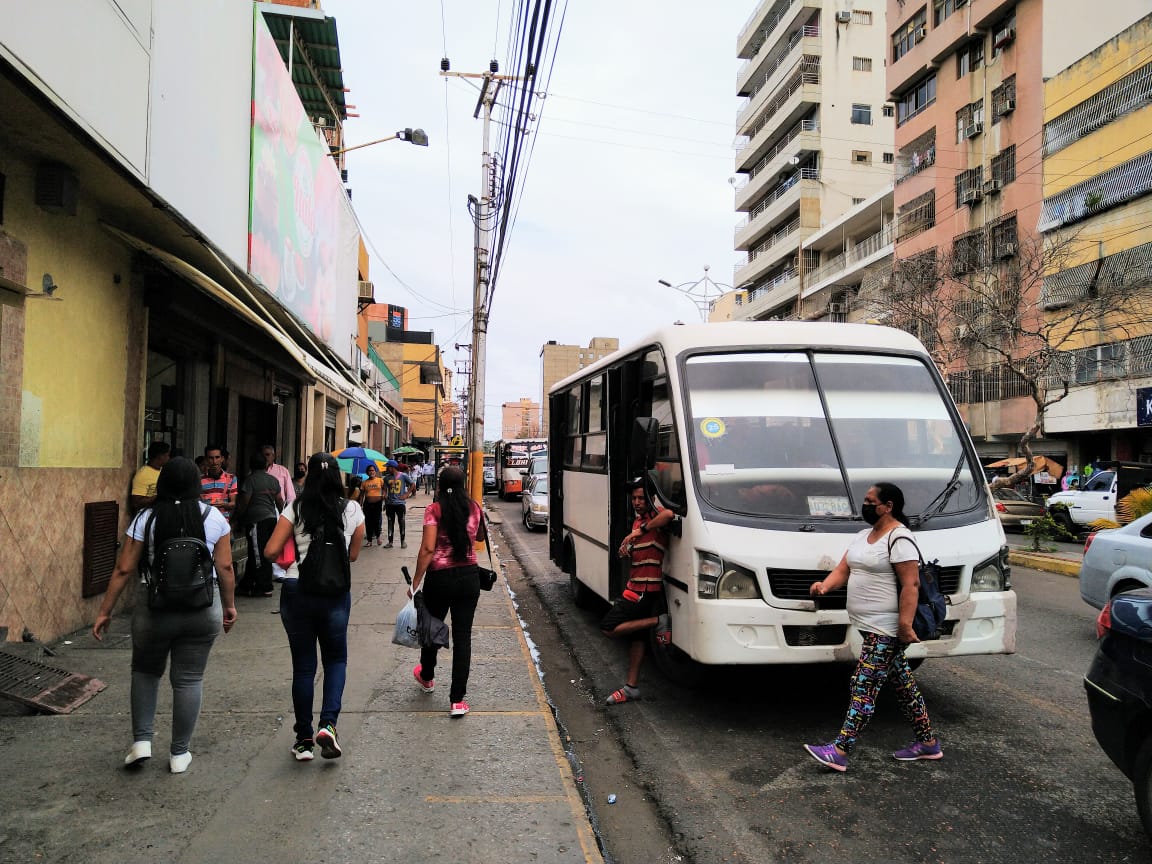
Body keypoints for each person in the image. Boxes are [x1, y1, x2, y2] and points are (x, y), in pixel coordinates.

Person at [93, 457, 237, 774]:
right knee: (189, 679)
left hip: (154, 609)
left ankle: (142, 742)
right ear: (195, 485)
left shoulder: (146, 518)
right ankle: (178, 754)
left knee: (145, 672)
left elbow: (124, 569)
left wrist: (105, 611)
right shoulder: (214, 517)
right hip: (201, 609)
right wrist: (228, 606)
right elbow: (225, 568)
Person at [803, 482, 942, 772]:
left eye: (870, 501)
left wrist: (904, 624)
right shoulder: (863, 536)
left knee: (863, 684)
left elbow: (911, 584)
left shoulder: (899, 538)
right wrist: (824, 587)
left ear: (888, 506)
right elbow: (844, 569)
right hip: (868, 626)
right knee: (904, 686)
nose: (864, 505)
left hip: (887, 628)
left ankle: (840, 750)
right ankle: (928, 744)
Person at [263, 452, 365, 762]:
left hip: (297, 591)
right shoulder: (352, 510)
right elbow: (353, 556)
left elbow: (270, 551)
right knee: (335, 660)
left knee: (304, 667)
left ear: (310, 478)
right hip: (334, 594)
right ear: (337, 478)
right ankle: (329, 725)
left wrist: (296, 549)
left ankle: (304, 740)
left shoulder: (295, 507)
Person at [409, 465, 485, 717]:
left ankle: (427, 676)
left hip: (439, 578)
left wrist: (415, 582)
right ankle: (457, 701)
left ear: (439, 485)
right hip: (469, 578)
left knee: (432, 628)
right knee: (463, 637)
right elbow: (480, 538)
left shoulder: (434, 509)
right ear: (463, 485)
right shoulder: (474, 507)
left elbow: (428, 549)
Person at [601, 479, 676, 705]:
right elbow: (641, 554)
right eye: (634, 498)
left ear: (650, 498)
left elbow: (670, 515)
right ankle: (631, 688)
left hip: (644, 589)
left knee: (608, 627)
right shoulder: (637, 522)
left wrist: (637, 534)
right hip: (634, 586)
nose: (636, 502)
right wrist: (629, 550)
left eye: (641, 498)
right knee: (637, 638)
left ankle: (657, 621)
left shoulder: (654, 519)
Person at [235, 451, 285, 597]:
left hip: (257, 521)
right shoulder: (273, 480)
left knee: (258, 554)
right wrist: (282, 515)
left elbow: (244, 502)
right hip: (271, 519)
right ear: (266, 465)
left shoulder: (250, 480)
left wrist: (239, 517)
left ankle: (264, 586)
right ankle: (248, 583)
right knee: (261, 552)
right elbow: (279, 500)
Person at [130, 441, 171, 513]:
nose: (168, 458)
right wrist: (158, 497)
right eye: (166, 455)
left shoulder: (164, 471)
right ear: (160, 456)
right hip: (147, 515)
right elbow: (136, 503)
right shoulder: (143, 474)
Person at [200, 444, 237, 522]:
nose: (214, 461)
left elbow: (233, 503)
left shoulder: (231, 478)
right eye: (211, 458)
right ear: (206, 460)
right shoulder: (199, 480)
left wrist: (223, 504)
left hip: (223, 522)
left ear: (222, 459)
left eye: (217, 457)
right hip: (205, 522)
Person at [383, 459, 415, 549]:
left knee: (401, 522)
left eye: (388, 467)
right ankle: (390, 542)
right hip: (390, 504)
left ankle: (402, 541)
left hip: (400, 503)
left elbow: (412, 484)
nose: (386, 469)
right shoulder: (386, 478)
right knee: (390, 522)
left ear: (392, 468)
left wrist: (407, 494)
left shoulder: (403, 476)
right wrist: (384, 496)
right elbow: (385, 490)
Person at [360, 463, 386, 546]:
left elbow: (385, 489)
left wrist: (384, 495)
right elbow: (362, 495)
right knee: (368, 522)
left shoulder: (380, 480)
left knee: (376, 521)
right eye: (369, 471)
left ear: (375, 471)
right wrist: (360, 505)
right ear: (367, 472)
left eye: (372, 470)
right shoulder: (364, 483)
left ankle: (378, 537)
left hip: (378, 503)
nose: (371, 472)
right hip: (367, 504)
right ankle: (369, 540)